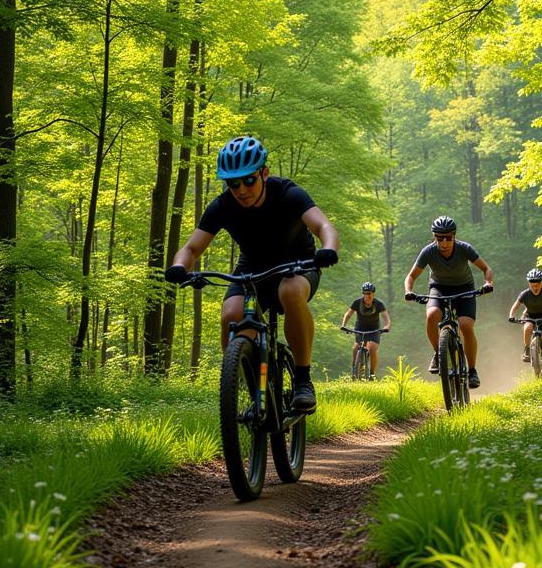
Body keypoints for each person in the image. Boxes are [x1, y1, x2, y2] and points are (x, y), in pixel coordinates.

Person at [166, 135, 339, 412]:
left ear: (264, 173)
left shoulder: (288, 193)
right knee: (231, 314)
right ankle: (250, 391)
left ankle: (303, 380)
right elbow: (191, 248)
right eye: (233, 183)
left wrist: (328, 249)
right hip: (252, 267)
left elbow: (324, 227)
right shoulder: (222, 206)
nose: (241, 189)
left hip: (298, 263)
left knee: (290, 290)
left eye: (249, 180)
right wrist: (178, 267)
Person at [403, 215, 493, 389]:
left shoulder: (465, 249)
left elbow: (486, 269)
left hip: (465, 288)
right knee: (431, 316)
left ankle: (472, 370)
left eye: (448, 238)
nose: (444, 243)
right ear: (434, 237)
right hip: (439, 288)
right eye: (439, 238)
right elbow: (411, 276)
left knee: (466, 325)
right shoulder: (428, 252)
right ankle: (439, 353)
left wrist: (488, 283)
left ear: (454, 236)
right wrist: (408, 291)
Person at [341, 282, 390, 379]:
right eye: (365, 293)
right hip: (360, 328)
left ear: (373, 293)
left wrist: (387, 326)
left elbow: (386, 316)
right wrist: (343, 325)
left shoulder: (378, 304)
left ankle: (372, 374)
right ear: (362, 294)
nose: (367, 295)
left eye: (369, 293)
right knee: (355, 349)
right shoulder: (357, 302)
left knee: (372, 348)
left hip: (374, 329)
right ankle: (354, 371)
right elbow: (349, 314)